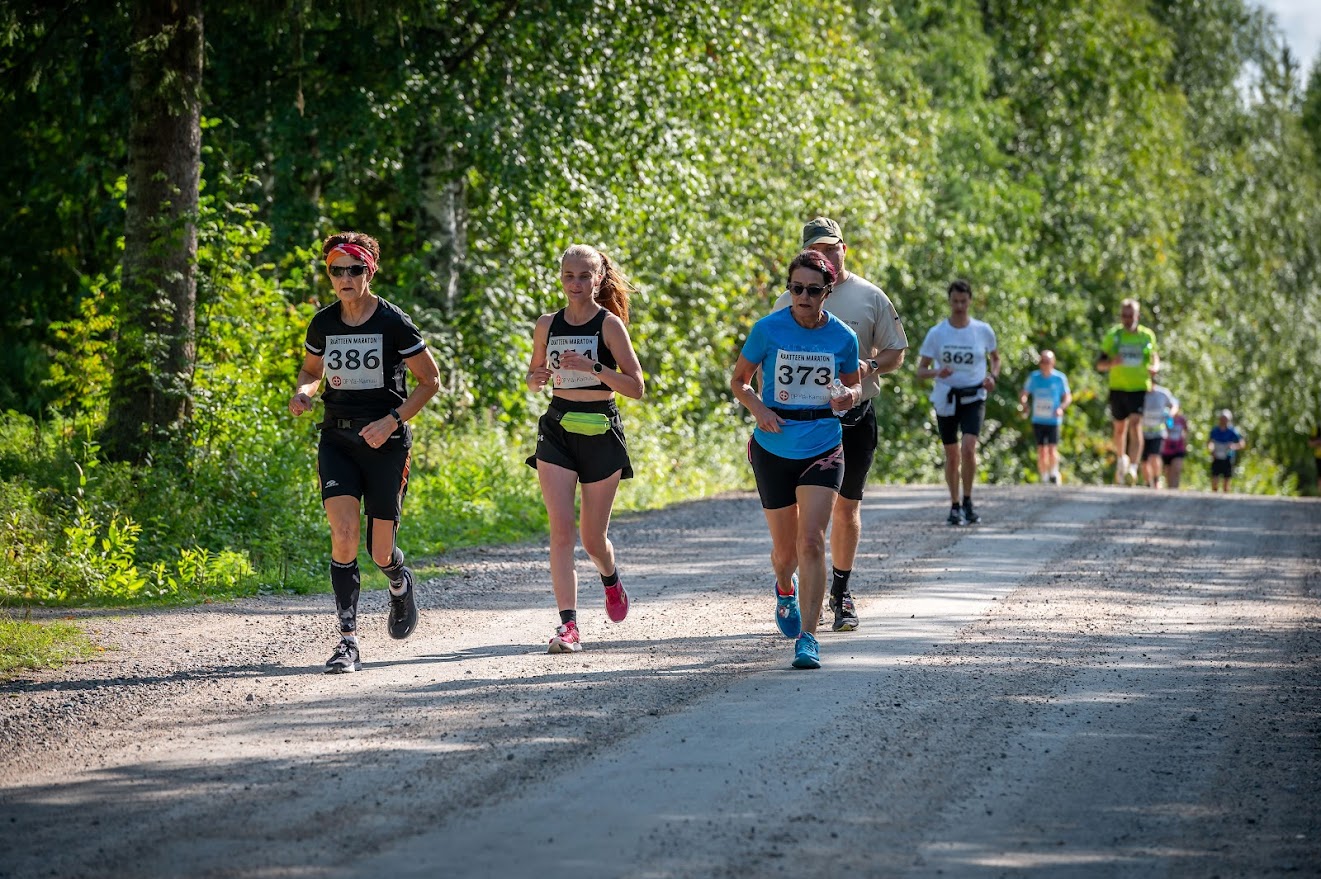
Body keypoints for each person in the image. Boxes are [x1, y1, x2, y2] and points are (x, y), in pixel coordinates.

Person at [289, 232, 441, 673]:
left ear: (369, 272)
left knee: (379, 552)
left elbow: (430, 381)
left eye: (354, 269)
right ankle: (348, 641)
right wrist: (304, 391)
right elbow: (311, 369)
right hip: (337, 439)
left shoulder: (393, 322)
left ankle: (398, 582)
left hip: (385, 444)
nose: (345, 278)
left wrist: (393, 420)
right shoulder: (323, 322)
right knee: (343, 534)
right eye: (336, 270)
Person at [770, 217, 908, 632]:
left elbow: (896, 352)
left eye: (832, 248)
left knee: (847, 508)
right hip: (799, 426)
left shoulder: (870, 296)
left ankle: (841, 592)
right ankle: (791, 583)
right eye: (816, 250)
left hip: (854, 418)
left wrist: (864, 368)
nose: (825, 256)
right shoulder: (787, 300)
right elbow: (765, 360)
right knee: (797, 521)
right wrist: (766, 410)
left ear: (844, 249)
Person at [731, 249, 861, 669]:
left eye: (811, 290)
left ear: (828, 291)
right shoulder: (767, 330)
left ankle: (808, 637)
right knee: (785, 553)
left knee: (812, 542)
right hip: (773, 446)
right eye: (795, 289)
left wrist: (847, 396)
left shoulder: (843, 337)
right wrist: (760, 410)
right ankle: (784, 588)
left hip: (823, 442)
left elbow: (854, 388)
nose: (802, 297)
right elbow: (739, 381)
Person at [525, 245, 645, 654]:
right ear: (560, 278)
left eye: (583, 276)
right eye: (568, 276)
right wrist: (536, 378)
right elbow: (533, 376)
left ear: (598, 279)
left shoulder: (609, 325)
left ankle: (610, 578)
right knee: (561, 531)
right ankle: (568, 627)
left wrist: (594, 368)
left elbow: (636, 388)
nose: (575, 284)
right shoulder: (547, 324)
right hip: (557, 427)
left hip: (600, 429)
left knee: (592, 540)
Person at [916, 279, 1001, 525]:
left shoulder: (982, 330)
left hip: (974, 396)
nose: (959, 306)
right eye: (955, 301)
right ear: (949, 301)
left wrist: (992, 377)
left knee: (969, 447)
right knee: (952, 454)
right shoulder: (938, 333)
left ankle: (968, 500)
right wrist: (936, 373)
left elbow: (996, 359)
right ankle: (954, 505)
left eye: (964, 301)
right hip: (947, 397)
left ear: (970, 301)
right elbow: (920, 371)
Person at [1096, 299, 1159, 485]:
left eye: (1130, 315)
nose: (1127, 319)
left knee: (1135, 423)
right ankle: (1121, 459)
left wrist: (1155, 367)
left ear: (1137, 316)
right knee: (1119, 428)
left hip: (1138, 386)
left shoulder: (1146, 336)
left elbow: (1155, 357)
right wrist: (1111, 363)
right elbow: (1100, 364)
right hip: (1117, 387)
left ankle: (1133, 466)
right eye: (1124, 315)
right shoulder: (1113, 336)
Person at [1018, 350, 1071, 484]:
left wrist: (1061, 408)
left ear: (1053, 363)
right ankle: (1044, 477)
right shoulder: (1034, 377)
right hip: (1038, 419)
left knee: (1052, 448)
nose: (1044, 364)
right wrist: (1024, 403)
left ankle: (1054, 472)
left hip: (1053, 419)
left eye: (1047, 361)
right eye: (1042, 361)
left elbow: (1067, 397)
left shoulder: (1059, 378)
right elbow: (1024, 393)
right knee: (1041, 449)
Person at [1140, 379, 1179, 489]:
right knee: (1144, 460)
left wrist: (1171, 414)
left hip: (1158, 432)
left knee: (1154, 456)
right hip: (1142, 432)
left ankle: (1156, 480)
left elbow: (1174, 404)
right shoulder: (1140, 393)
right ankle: (1148, 483)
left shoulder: (1163, 393)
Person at [1208, 409, 1246, 492]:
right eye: (1222, 418)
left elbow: (1242, 443)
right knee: (1214, 479)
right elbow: (1209, 442)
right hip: (1216, 457)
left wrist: (1234, 446)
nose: (1223, 420)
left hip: (1228, 457)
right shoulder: (1215, 431)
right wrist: (1211, 450)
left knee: (1226, 481)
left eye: (1225, 418)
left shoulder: (1233, 431)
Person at [1161, 408, 1190, 489]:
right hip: (1167, 448)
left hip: (1179, 448)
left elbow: (1186, 431)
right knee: (1168, 471)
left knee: (1176, 469)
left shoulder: (1182, 419)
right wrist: (1170, 418)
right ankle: (1170, 487)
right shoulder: (1168, 419)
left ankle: (1175, 488)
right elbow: (1168, 428)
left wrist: (1186, 443)